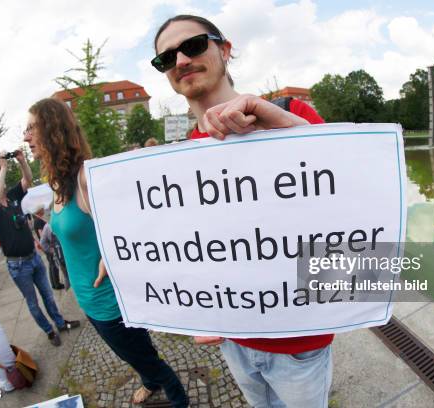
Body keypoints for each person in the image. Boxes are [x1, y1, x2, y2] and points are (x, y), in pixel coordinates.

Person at [153, 15, 333, 407]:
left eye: (194, 45)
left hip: (299, 341)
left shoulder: (289, 112)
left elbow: (353, 192)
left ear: (225, 49)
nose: (181, 60)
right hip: (234, 338)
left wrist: (281, 124)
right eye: (167, 57)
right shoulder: (184, 151)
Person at [23, 98, 188, 407]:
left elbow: (137, 216)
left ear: (51, 130)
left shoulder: (86, 177)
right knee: (136, 353)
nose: (26, 136)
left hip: (109, 301)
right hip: (88, 300)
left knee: (145, 357)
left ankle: (178, 397)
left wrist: (112, 254)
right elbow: (78, 228)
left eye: (31, 128)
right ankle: (150, 381)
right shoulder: (58, 182)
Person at [0, 150, 79, 346]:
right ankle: (49, 330)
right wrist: (2, 168)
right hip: (18, 267)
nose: (0, 180)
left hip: (33, 257)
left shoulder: (12, 197)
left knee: (48, 296)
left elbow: (27, 180)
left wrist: (22, 161)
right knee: (33, 303)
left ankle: (60, 323)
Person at [33, 211, 64, 290]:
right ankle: (56, 284)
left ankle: (54, 284)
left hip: (47, 245)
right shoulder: (38, 221)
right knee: (54, 265)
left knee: (51, 265)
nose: (43, 209)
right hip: (48, 246)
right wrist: (49, 247)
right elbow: (41, 234)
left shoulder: (38, 220)